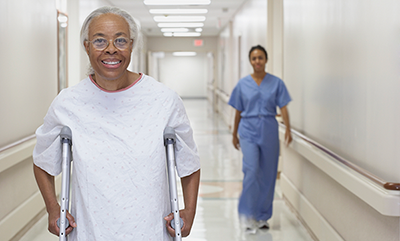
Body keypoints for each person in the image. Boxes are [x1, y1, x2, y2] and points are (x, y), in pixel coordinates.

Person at [33, 6, 200, 240]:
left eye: (120, 40)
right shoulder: (68, 103)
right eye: (100, 41)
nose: (111, 49)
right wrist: (53, 208)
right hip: (90, 231)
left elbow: (189, 162)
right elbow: (42, 161)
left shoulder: (163, 99)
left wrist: (189, 211)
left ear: (131, 45)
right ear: (86, 46)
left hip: (150, 230)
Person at [228, 45, 292, 233]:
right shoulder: (242, 84)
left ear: (266, 60)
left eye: (261, 58)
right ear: (250, 61)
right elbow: (238, 110)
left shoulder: (276, 83)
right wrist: (234, 133)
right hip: (248, 129)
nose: (257, 61)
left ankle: (263, 216)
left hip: (269, 129)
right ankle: (248, 215)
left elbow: (284, 107)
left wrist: (288, 129)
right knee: (251, 170)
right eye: (254, 58)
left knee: (268, 174)